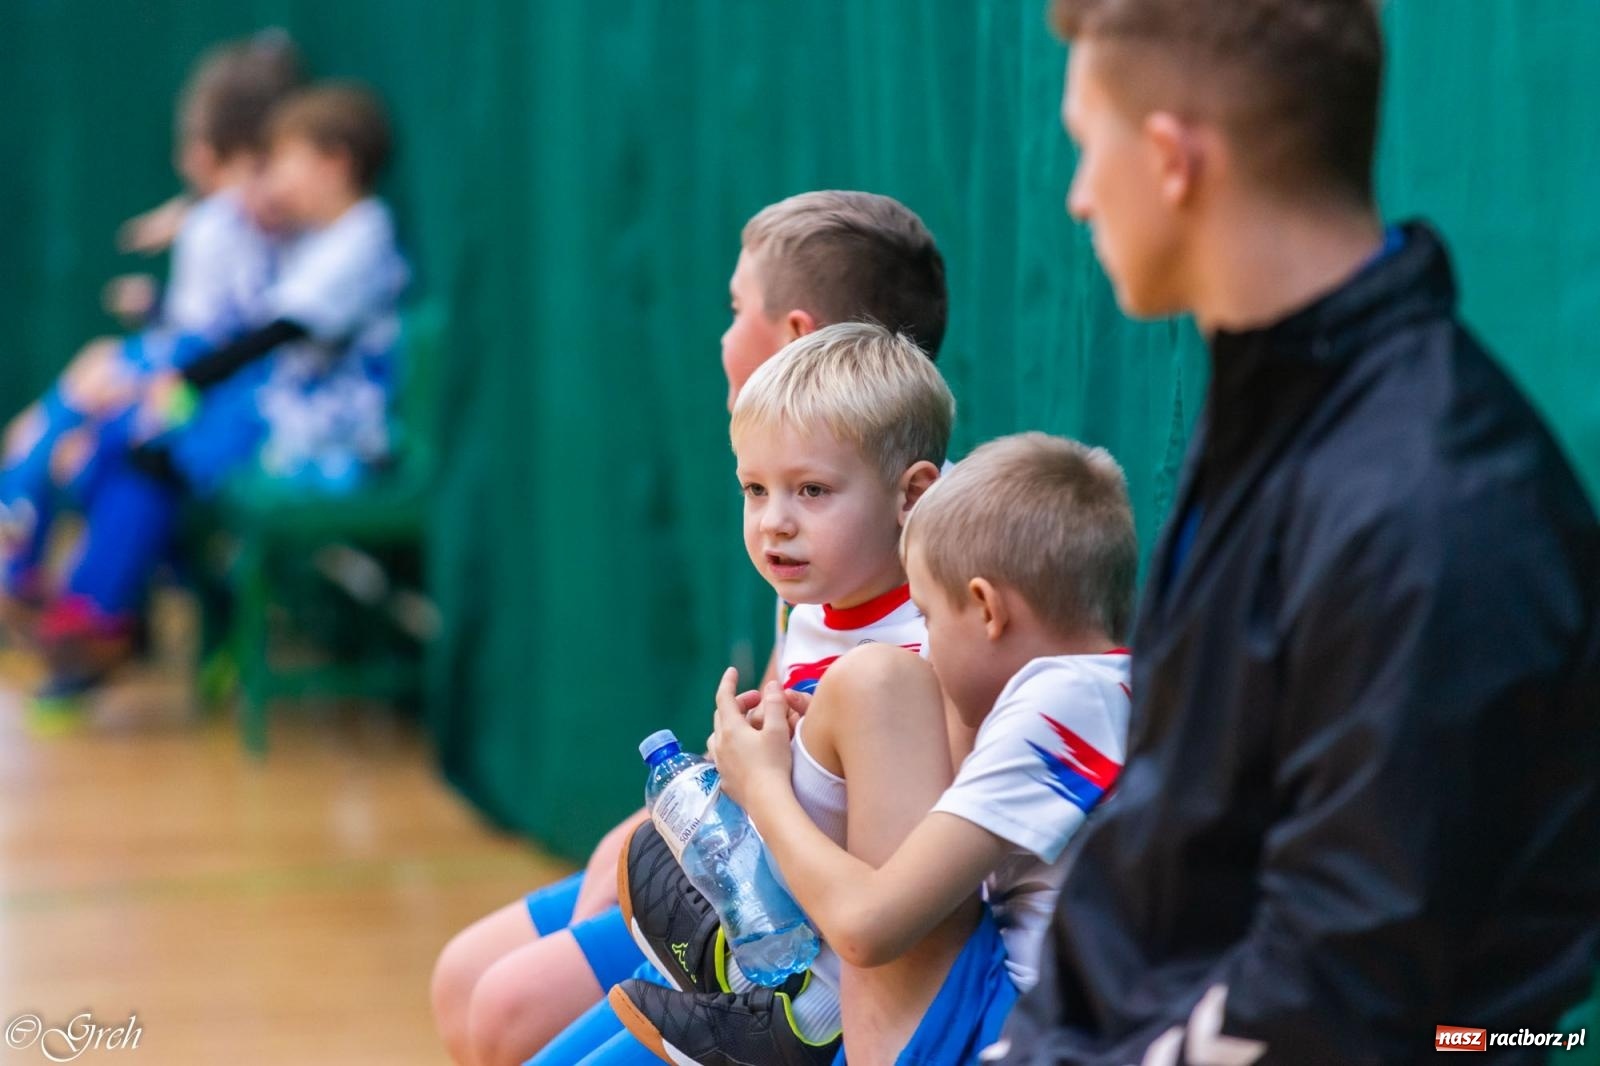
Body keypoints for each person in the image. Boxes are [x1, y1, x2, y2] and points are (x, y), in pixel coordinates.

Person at [993, 2, 1600, 1062]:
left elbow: (1347, 993)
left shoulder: (1433, 502)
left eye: (1088, 144)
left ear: (1173, 159)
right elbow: (1166, 856)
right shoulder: (1279, 406)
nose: (1078, 194)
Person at [431, 192, 949, 1066]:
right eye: (756, 492)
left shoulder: (914, 630)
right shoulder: (824, 573)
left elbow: (877, 926)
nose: (776, 520)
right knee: (467, 982)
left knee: (501, 1014)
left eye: (734, 308)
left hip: (797, 980)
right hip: (753, 910)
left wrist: (754, 792)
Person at [611, 432, 1135, 1066]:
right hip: (1024, 1018)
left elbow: (868, 929)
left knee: (876, 681)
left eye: (930, 619)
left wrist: (764, 789)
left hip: (1018, 1040)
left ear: (986, 609)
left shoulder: (1071, 700)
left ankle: (795, 1003)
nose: (928, 647)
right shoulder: (1095, 692)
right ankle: (769, 972)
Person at [33, 82, 408, 704]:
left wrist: (176, 383)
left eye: (286, 161)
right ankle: (104, 609)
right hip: (276, 412)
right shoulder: (314, 234)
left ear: (336, 162)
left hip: (331, 439)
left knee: (154, 454)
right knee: (128, 445)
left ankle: (106, 615)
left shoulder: (362, 233)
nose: (276, 180)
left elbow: (268, 337)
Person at [0, 31, 301, 615]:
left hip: (211, 392)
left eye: (198, 146)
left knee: (96, 431)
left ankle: (32, 546)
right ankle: (23, 536)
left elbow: (233, 335)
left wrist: (153, 374)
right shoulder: (220, 217)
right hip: (189, 370)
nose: (187, 161)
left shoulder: (259, 226)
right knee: (69, 421)